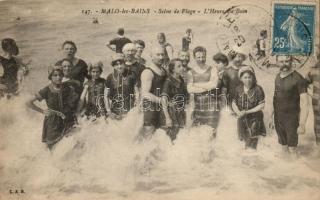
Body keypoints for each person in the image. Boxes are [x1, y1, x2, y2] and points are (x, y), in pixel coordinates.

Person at [27, 68, 77, 150]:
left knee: (69, 146)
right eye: (55, 75)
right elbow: (28, 102)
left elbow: (74, 101)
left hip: (67, 119)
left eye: (60, 75)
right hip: (52, 121)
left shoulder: (67, 89)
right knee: (52, 147)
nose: (58, 77)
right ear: (50, 77)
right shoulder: (46, 90)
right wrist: (42, 111)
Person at [272, 55, 309, 155]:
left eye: (287, 61)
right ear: (276, 63)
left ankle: (296, 167)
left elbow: (305, 103)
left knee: (292, 149)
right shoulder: (277, 77)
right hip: (278, 119)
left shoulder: (298, 78)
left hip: (291, 119)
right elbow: (275, 98)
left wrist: (302, 124)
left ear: (292, 61)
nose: (284, 64)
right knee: (283, 147)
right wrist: (272, 117)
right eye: (281, 62)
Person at [187, 46, 220, 137]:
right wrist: (207, 86)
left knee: (212, 130)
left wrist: (196, 85)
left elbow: (214, 85)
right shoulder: (190, 72)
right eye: (198, 57)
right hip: (198, 105)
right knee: (198, 129)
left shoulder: (213, 69)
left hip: (211, 104)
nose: (201, 59)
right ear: (194, 57)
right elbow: (190, 89)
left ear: (206, 56)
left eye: (203, 57)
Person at [232, 66, 266, 149]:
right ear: (241, 79)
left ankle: (251, 158)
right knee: (244, 139)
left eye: (250, 77)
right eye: (245, 77)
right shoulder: (238, 89)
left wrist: (247, 112)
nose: (248, 80)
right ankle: (246, 158)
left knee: (252, 141)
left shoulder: (258, 89)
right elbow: (233, 102)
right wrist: (238, 112)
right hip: (242, 119)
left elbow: (261, 105)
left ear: (253, 77)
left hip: (255, 119)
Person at [139, 45, 167, 140]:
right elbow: (145, 94)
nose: (161, 57)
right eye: (158, 55)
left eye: (163, 54)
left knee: (160, 136)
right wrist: (162, 101)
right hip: (150, 108)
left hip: (161, 107)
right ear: (151, 56)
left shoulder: (163, 71)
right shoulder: (148, 72)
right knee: (148, 137)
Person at [160, 58, 188, 142]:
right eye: (178, 66)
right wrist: (167, 118)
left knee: (180, 137)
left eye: (182, 66)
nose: (182, 68)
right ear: (173, 69)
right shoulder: (168, 81)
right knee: (170, 137)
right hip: (170, 112)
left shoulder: (181, 80)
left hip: (180, 112)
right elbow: (164, 100)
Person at [105, 54, 137, 119]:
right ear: (113, 66)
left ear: (124, 63)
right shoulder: (110, 77)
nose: (119, 66)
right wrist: (109, 111)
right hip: (114, 112)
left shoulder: (132, 75)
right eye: (116, 64)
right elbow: (106, 96)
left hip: (130, 112)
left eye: (121, 63)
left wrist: (135, 110)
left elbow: (137, 93)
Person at [305, 53, 320, 145]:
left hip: (317, 101)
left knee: (318, 124)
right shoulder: (313, 71)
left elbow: (304, 83)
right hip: (317, 102)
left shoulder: (313, 71)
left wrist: (311, 94)